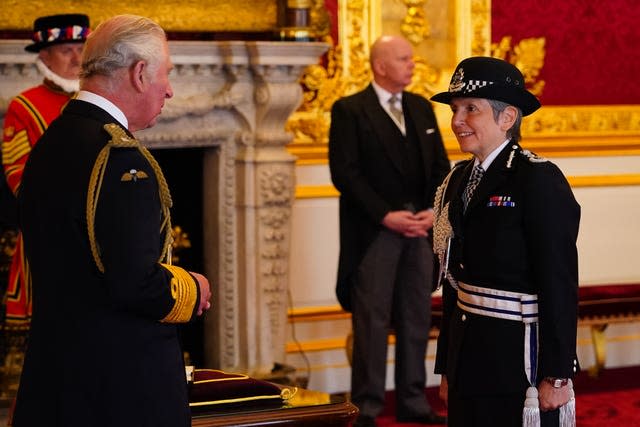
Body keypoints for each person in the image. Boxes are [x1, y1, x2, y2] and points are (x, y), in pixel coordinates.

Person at [11, 14, 212, 427]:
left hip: (57, 381)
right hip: (120, 391)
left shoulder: (54, 138)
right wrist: (193, 288)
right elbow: (136, 284)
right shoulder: (119, 157)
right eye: (166, 74)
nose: (170, 89)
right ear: (140, 73)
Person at [430, 56, 580, 427]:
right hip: (468, 357)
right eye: (454, 109)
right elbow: (453, 280)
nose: (457, 121)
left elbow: (559, 281)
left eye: (470, 109)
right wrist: (447, 366)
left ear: (507, 117)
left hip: (519, 362)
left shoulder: (537, 179)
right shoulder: (458, 178)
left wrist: (557, 373)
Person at [329, 35, 450, 427]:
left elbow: (440, 167)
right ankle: (367, 405)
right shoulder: (350, 110)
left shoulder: (420, 107)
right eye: (403, 59)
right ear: (380, 66)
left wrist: (434, 211)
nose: (412, 64)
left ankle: (413, 401)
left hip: (419, 229)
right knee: (372, 321)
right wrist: (386, 215)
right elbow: (345, 174)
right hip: (375, 232)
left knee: (416, 318)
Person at [2, 12, 89, 338]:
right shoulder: (23, 107)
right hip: (51, 239)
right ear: (43, 55)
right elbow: (18, 179)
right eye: (67, 50)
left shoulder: (98, 101)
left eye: (82, 48)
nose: (77, 57)